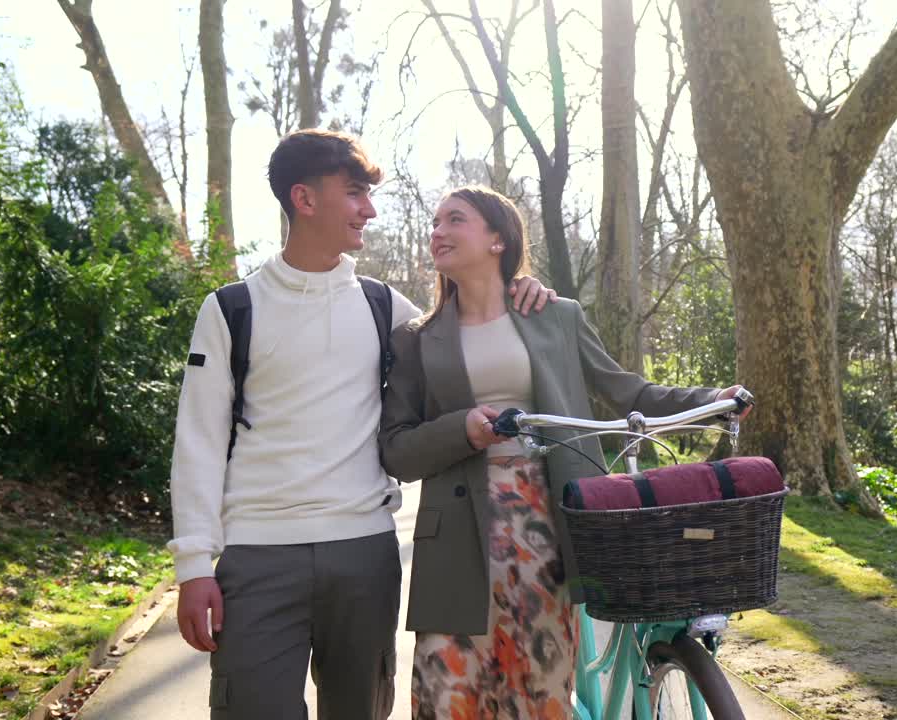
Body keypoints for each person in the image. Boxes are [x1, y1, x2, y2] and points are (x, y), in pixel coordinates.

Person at [167, 130, 555, 720]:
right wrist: (194, 566)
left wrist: (518, 288)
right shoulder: (230, 310)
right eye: (354, 193)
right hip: (258, 555)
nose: (368, 210)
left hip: (365, 554)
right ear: (304, 199)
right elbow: (197, 442)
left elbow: (480, 337)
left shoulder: (386, 309)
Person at [379, 185, 748, 720]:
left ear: (498, 239)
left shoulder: (555, 316)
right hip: (457, 540)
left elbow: (627, 391)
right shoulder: (415, 339)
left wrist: (710, 400)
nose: (438, 231)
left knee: (538, 688)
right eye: (435, 222)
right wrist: (463, 430)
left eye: (454, 219)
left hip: (546, 527)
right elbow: (397, 451)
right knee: (449, 694)